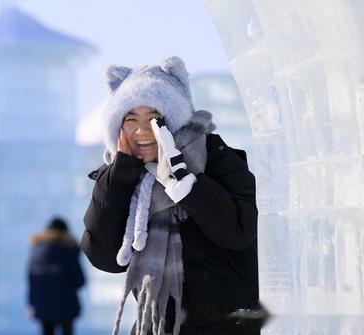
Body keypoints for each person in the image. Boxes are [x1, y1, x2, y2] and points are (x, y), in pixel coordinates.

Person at [80, 56, 267, 335]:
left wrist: (184, 181)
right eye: (131, 119)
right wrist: (121, 176)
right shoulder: (119, 177)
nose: (143, 130)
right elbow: (105, 258)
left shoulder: (216, 159)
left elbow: (238, 232)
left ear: (175, 120)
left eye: (154, 118)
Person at [28, 217, 86, 335]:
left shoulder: (36, 251)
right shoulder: (69, 250)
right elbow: (79, 281)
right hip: (67, 305)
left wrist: (32, 303)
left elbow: (32, 280)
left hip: (43, 305)